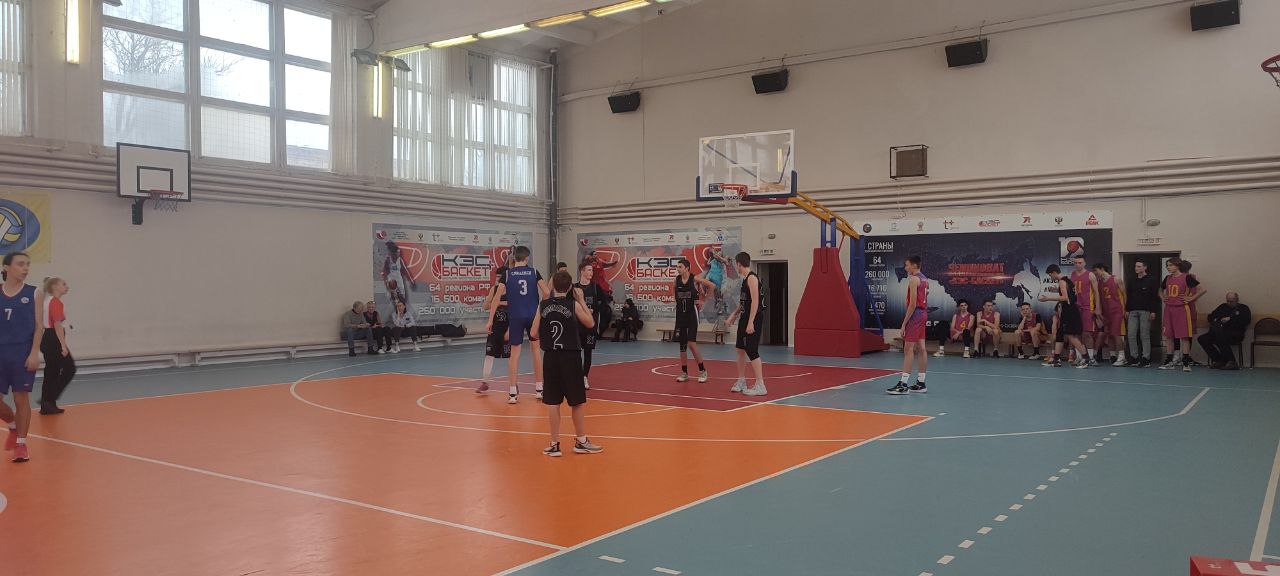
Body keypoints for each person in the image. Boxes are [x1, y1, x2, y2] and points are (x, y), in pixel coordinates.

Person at [535, 271, 602, 457]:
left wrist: (546, 334)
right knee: (577, 401)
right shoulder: (573, 305)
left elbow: (533, 333)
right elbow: (590, 323)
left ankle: (554, 444)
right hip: (570, 356)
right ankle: (581, 441)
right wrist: (581, 300)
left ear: (553, 286)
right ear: (571, 287)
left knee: (553, 402)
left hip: (550, 357)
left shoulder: (543, 305)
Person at [488, 246, 546, 404]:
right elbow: (547, 292)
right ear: (527, 258)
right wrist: (540, 309)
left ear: (514, 258)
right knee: (536, 351)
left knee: (514, 354)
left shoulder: (507, 274)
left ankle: (513, 392)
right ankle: (539, 389)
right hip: (532, 316)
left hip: (515, 317)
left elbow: (496, 298)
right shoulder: (534, 272)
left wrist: (490, 320)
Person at [1, 251, 41, 462]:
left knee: (20, 398)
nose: (25, 268)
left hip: (22, 353)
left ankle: (21, 444)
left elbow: (39, 326)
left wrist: (34, 352)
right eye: (20, 264)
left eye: (27, 264)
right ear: (6, 267)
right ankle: (13, 425)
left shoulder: (34, 293)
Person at [727, 252, 767, 396]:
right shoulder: (745, 280)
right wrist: (734, 314)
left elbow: (755, 301)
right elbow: (744, 302)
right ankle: (741, 380)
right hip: (745, 317)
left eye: (736, 264)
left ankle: (761, 385)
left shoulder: (752, 278)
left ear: (738, 264)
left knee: (751, 350)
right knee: (740, 349)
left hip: (753, 318)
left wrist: (751, 322)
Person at [888, 255, 929, 395]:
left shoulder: (913, 279)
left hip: (915, 315)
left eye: (907, 265)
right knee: (922, 348)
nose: (905, 268)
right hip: (923, 314)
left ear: (914, 265)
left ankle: (903, 385)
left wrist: (904, 323)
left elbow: (912, 304)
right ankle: (921, 383)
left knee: (908, 349)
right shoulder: (925, 279)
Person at [38, 277, 76, 415]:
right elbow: (57, 325)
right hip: (53, 339)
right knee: (69, 368)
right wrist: (63, 345)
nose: (67, 286)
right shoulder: (55, 302)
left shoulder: (46, 301)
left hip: (48, 338)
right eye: (63, 284)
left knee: (51, 372)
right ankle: (49, 398)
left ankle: (47, 404)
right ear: (55, 286)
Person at [1040, 264, 1089, 368]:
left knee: (1071, 336)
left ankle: (1086, 359)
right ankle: (1056, 360)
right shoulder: (1068, 280)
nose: (1051, 277)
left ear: (1054, 272)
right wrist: (1056, 290)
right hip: (1069, 310)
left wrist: (1048, 298)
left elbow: (1065, 298)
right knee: (1060, 334)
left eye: (1050, 275)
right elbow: (1070, 293)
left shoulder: (1062, 282)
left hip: (1069, 311)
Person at [672, 258, 709, 383]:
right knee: (682, 346)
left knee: (691, 344)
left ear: (687, 268)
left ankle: (702, 371)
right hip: (680, 315)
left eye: (680, 267)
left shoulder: (694, 279)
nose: (678, 269)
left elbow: (712, 286)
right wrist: (676, 302)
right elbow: (674, 290)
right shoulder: (676, 280)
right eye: (677, 267)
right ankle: (684, 373)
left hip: (692, 314)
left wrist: (703, 301)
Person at [1159, 258, 1200, 372]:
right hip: (1169, 309)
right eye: (1167, 265)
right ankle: (1169, 361)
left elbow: (1201, 289)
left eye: (1170, 265)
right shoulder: (1168, 278)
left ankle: (1186, 362)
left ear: (1177, 266)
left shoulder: (1187, 277)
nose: (1168, 267)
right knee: (1169, 336)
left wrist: (1191, 298)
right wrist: (1163, 297)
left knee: (1184, 336)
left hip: (1181, 309)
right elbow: (1160, 290)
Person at [477, 263, 511, 393]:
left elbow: (514, 304)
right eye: (496, 277)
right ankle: (484, 382)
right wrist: (490, 299)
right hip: (495, 326)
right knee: (489, 354)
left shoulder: (512, 289)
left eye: (499, 277)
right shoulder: (494, 289)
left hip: (508, 326)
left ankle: (514, 384)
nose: (497, 279)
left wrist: (498, 302)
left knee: (511, 356)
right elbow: (486, 306)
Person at [1198, 292, 1250, 370]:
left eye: (1231, 301)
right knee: (1202, 338)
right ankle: (1218, 360)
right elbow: (1211, 317)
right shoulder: (1223, 307)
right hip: (1219, 331)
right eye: (1228, 301)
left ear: (1237, 300)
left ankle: (1232, 361)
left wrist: (1230, 319)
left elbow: (1246, 320)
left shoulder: (1244, 308)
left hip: (1236, 333)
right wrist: (1217, 319)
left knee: (1221, 337)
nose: (1229, 303)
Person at [1125, 260, 1160, 367]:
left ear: (1145, 267)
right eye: (1136, 266)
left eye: (1139, 266)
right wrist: (1127, 309)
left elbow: (1154, 296)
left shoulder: (1151, 280)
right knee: (1131, 334)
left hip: (1145, 310)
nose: (1136, 268)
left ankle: (1146, 358)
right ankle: (1134, 357)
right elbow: (1129, 295)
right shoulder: (1131, 280)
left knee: (1144, 334)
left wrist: (1153, 311)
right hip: (1132, 310)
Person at [573, 262, 602, 389]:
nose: (591, 272)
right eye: (589, 270)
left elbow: (603, 305)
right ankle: (577, 375)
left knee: (588, 352)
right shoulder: (574, 288)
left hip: (590, 327)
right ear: (582, 271)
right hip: (576, 326)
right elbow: (569, 304)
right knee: (575, 352)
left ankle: (585, 376)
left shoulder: (596, 287)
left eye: (592, 270)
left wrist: (593, 310)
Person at [1069, 256, 1102, 366]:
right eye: (1076, 263)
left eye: (1080, 262)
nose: (1077, 264)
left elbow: (1096, 292)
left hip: (1088, 307)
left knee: (1087, 333)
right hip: (1075, 307)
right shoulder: (1072, 275)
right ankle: (1080, 357)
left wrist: (1097, 307)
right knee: (1076, 333)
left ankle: (1091, 358)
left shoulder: (1090, 275)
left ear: (1084, 263)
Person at [1092, 263, 1127, 366]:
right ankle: (1113, 356)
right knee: (1109, 334)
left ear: (1102, 269)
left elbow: (1124, 295)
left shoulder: (1116, 279)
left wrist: (1125, 310)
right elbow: (1099, 298)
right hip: (1106, 313)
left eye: (1096, 270)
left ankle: (1122, 357)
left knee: (1116, 334)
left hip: (1117, 311)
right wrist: (1099, 313)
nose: (1095, 273)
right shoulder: (1099, 282)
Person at [382, 241, 415, 306]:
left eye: (399, 253)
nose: (399, 254)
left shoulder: (400, 260)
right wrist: (386, 284)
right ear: (392, 253)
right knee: (393, 297)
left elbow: (405, 271)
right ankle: (395, 307)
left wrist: (411, 281)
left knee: (402, 297)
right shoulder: (388, 260)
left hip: (399, 279)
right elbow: (384, 273)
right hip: (391, 279)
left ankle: (402, 308)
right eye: (397, 253)